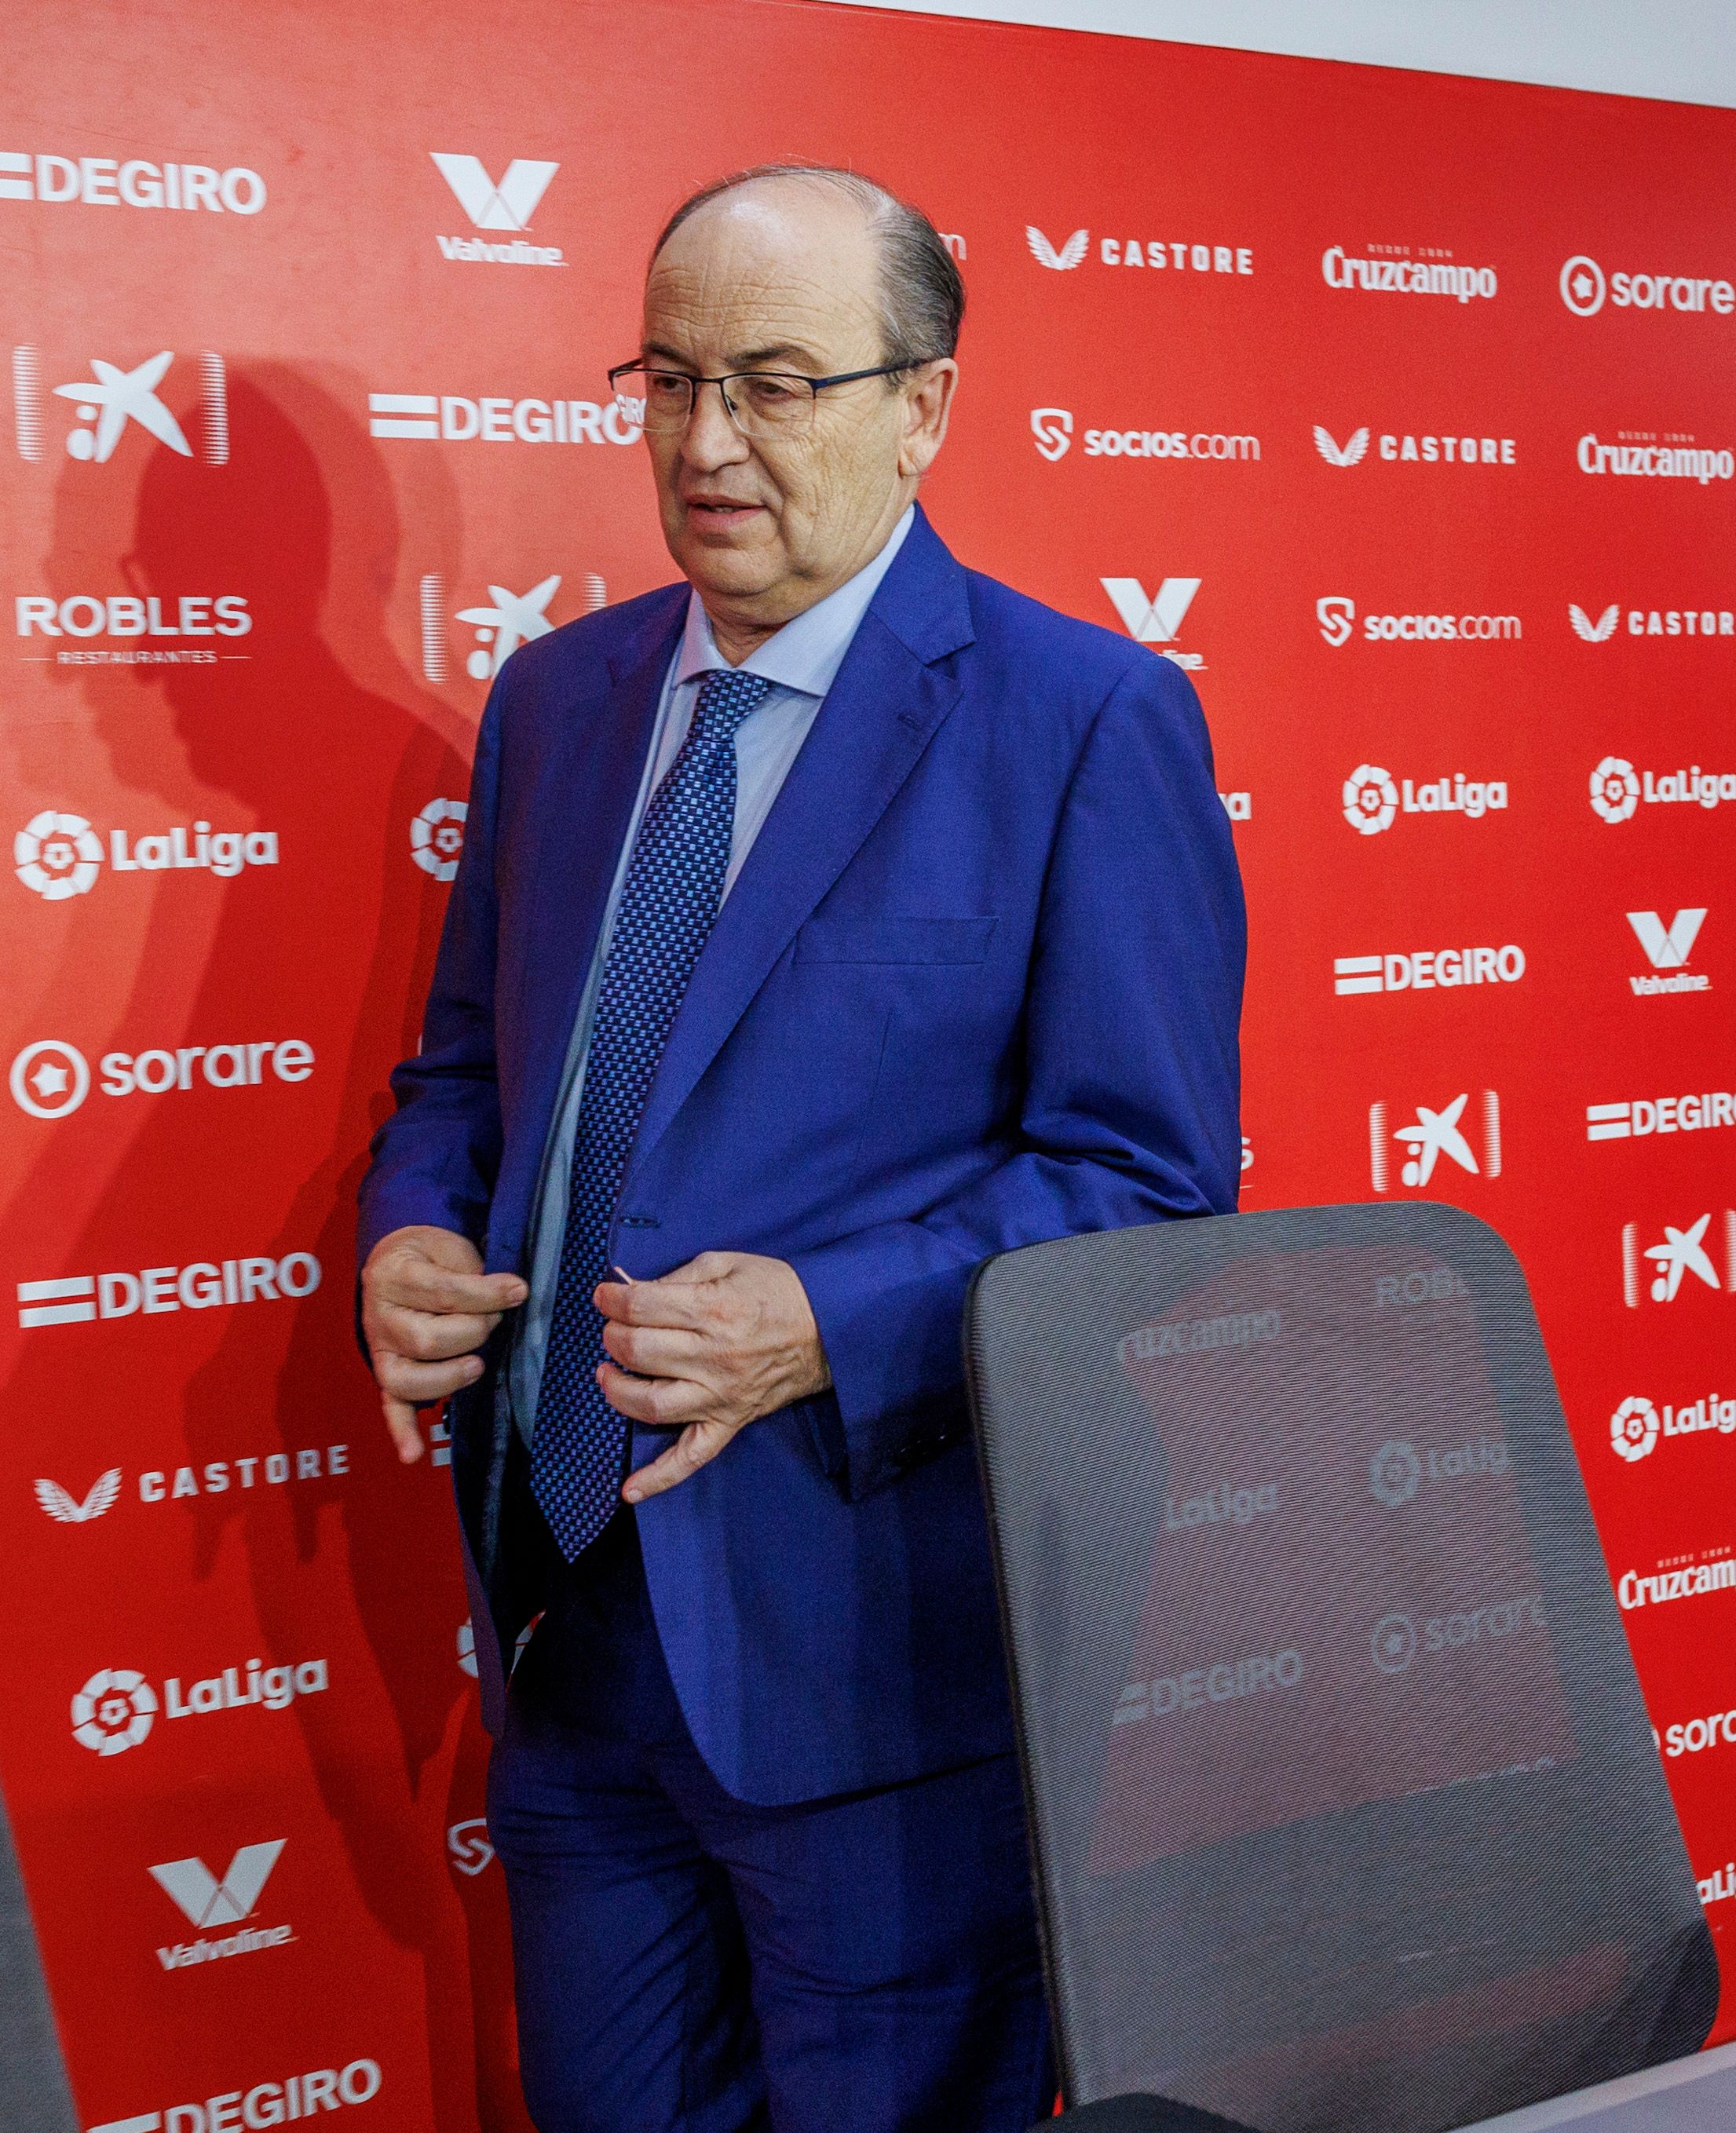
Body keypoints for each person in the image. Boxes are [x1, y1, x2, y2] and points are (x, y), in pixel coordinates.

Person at [355, 164, 1247, 2128]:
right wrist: (412, 1239)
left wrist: (830, 1321)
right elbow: (468, 1080)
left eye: (772, 382)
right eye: (667, 379)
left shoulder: (1087, 719)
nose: (705, 442)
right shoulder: (559, 702)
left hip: (877, 1665)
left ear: (921, 403)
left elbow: (1150, 1189)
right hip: (571, 1619)